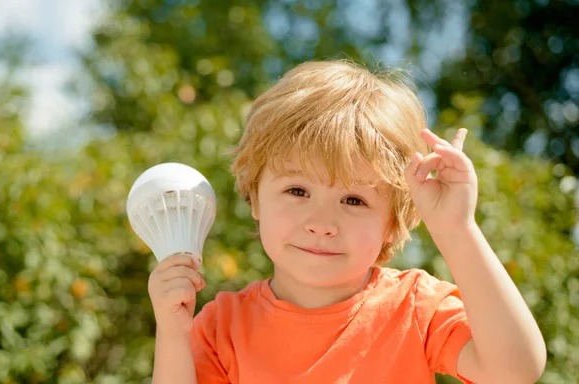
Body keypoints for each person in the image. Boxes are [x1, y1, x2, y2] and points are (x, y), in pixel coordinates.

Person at [147, 60, 546, 384]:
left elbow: (514, 371)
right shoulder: (221, 327)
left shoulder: (414, 306)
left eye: (353, 199)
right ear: (254, 196)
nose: (322, 223)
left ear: (391, 222)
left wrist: (457, 229)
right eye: (298, 191)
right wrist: (172, 334)